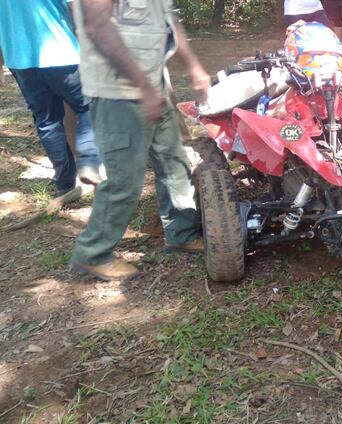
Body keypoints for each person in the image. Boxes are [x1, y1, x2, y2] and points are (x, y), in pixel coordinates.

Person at [69, 0, 210, 281]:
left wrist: (193, 66)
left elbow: (170, 23)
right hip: (118, 96)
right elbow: (97, 27)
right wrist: (143, 87)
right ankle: (92, 254)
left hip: (153, 90)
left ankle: (181, 233)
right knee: (124, 181)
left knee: (175, 163)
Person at [0, 0, 103, 200]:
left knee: (46, 121)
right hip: (61, 51)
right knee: (92, 105)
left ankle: (64, 184)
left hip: (19, 58)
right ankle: (89, 161)